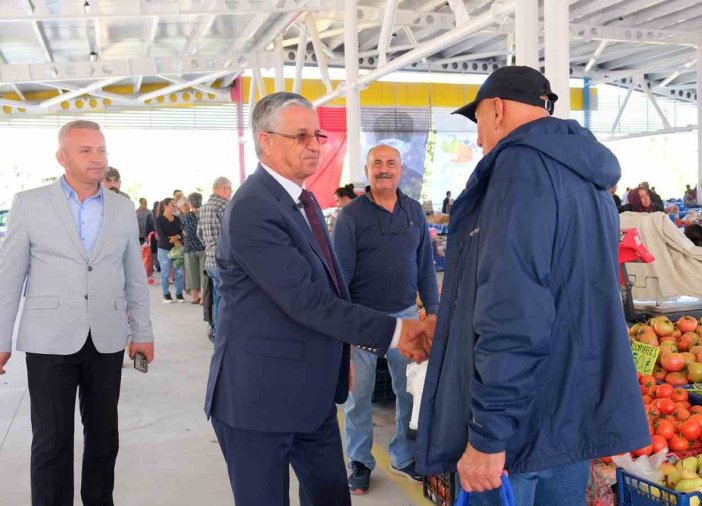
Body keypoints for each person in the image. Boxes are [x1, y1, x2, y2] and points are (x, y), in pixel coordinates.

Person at [416, 66, 649, 504]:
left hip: (519, 432)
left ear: (497, 109)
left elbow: (513, 311)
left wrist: (487, 434)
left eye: (479, 122)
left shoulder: (519, 170)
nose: (479, 139)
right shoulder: (589, 176)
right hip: (569, 422)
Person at [203, 91, 434, 506]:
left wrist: (341, 356)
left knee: (329, 495)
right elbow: (306, 301)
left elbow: (333, 288)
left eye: (317, 135)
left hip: (310, 394)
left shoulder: (302, 200)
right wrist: (399, 332)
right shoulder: (255, 208)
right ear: (266, 141)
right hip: (258, 399)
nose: (314, 145)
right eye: (301, 136)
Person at [0, 120, 154, 505]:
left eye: (101, 150)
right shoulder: (30, 203)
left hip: (106, 337)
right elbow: (9, 277)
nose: (97, 158)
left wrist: (143, 330)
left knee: (104, 435)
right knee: (51, 439)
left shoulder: (121, 207)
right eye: (86, 151)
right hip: (49, 338)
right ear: (62, 157)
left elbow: (134, 275)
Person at [333, 144, 440, 494]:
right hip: (362, 319)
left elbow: (425, 266)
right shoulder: (351, 216)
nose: (384, 169)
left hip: (407, 317)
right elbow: (341, 276)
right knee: (358, 396)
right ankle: (360, 460)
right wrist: (345, 327)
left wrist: (433, 313)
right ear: (366, 170)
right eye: (376, 163)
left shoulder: (413, 211)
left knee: (409, 392)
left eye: (390, 163)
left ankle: (404, 454)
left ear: (400, 170)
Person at [198, 177, 231, 338]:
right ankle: (223, 332)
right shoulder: (224, 206)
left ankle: (216, 330)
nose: (230, 193)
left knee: (216, 298)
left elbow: (199, 234)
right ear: (224, 188)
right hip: (224, 260)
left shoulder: (204, 208)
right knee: (226, 299)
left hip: (209, 260)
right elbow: (231, 233)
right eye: (230, 189)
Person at [155, 197, 184, 303]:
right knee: (165, 273)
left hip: (177, 249)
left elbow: (181, 232)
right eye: (173, 204)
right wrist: (173, 240)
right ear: (166, 206)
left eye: (175, 204)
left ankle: (179, 294)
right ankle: (166, 294)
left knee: (179, 272)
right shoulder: (159, 220)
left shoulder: (177, 219)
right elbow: (161, 236)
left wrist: (178, 238)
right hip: (164, 249)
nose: (175, 207)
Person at [182, 193, 204, 304]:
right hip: (203, 247)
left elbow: (184, 232)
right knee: (203, 272)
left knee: (192, 272)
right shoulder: (204, 214)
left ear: (190, 203)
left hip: (189, 248)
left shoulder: (186, 216)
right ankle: (204, 297)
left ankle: (194, 297)